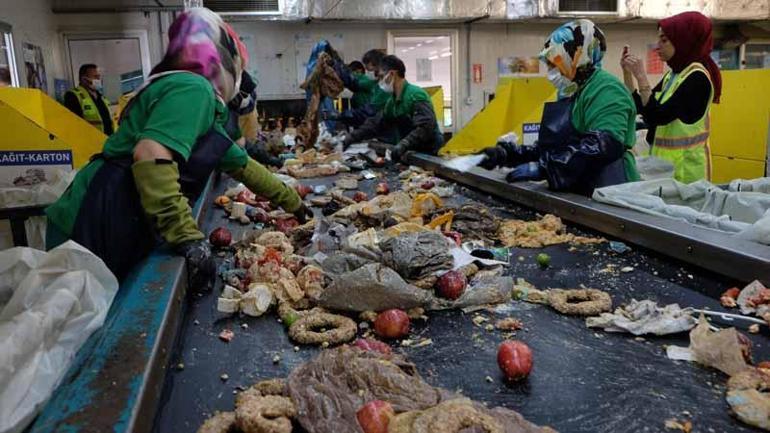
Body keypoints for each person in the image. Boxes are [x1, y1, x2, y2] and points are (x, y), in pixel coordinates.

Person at [45, 8, 310, 287]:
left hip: (111, 207)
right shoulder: (192, 88)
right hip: (94, 215)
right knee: (80, 311)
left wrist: (293, 203)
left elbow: (242, 165)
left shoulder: (195, 98)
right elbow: (150, 154)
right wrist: (187, 237)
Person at [477, 19, 639, 195]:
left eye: (555, 64)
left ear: (577, 55)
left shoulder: (606, 89)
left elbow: (603, 146)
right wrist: (509, 154)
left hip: (609, 190)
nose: (551, 73)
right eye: (549, 65)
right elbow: (554, 148)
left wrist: (545, 168)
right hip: (579, 190)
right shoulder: (572, 92)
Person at [621, 11, 720, 183]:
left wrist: (642, 77)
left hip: (686, 174)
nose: (657, 46)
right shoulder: (673, 76)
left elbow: (657, 115)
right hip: (664, 170)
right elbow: (644, 108)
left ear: (684, 41)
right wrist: (628, 74)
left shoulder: (697, 79)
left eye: (664, 40)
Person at [342, 55, 444, 162]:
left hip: (428, 152)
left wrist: (405, 143)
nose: (380, 82)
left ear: (391, 74)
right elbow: (375, 124)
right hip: (411, 151)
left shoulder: (415, 95)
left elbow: (426, 126)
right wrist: (351, 138)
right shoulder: (392, 102)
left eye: (381, 77)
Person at [64, 64, 115, 135]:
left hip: (108, 140)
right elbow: (75, 125)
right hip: (90, 141)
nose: (99, 80)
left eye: (99, 77)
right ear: (84, 79)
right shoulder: (73, 96)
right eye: (95, 77)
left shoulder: (102, 97)